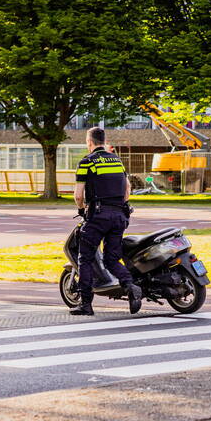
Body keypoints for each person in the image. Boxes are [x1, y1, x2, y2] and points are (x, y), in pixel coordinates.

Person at [71, 127, 141, 316]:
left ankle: (86, 304)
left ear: (89, 142)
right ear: (104, 140)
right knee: (111, 259)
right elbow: (127, 189)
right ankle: (130, 286)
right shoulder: (117, 161)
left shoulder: (87, 161)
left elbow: (78, 195)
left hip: (98, 216)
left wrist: (81, 210)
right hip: (119, 216)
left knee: (85, 258)